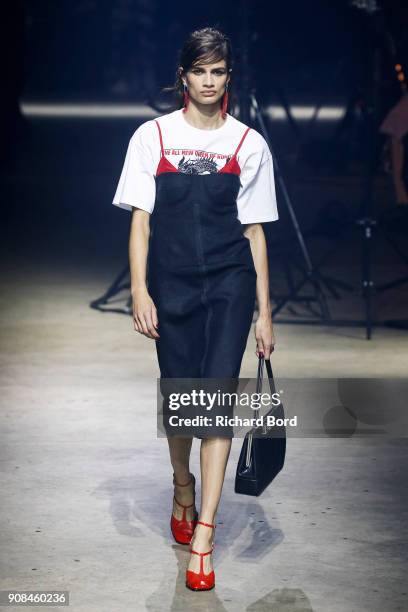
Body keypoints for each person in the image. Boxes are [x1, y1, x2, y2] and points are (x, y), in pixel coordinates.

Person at [112, 27, 279, 591]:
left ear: (230, 77)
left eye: (219, 71)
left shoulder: (248, 143)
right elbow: (141, 219)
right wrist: (139, 289)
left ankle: (205, 532)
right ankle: (181, 482)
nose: (209, 81)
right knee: (182, 394)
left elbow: (254, 232)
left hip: (230, 283)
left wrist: (265, 311)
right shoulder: (151, 137)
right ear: (182, 75)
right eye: (200, 70)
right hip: (172, 283)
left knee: (216, 398)